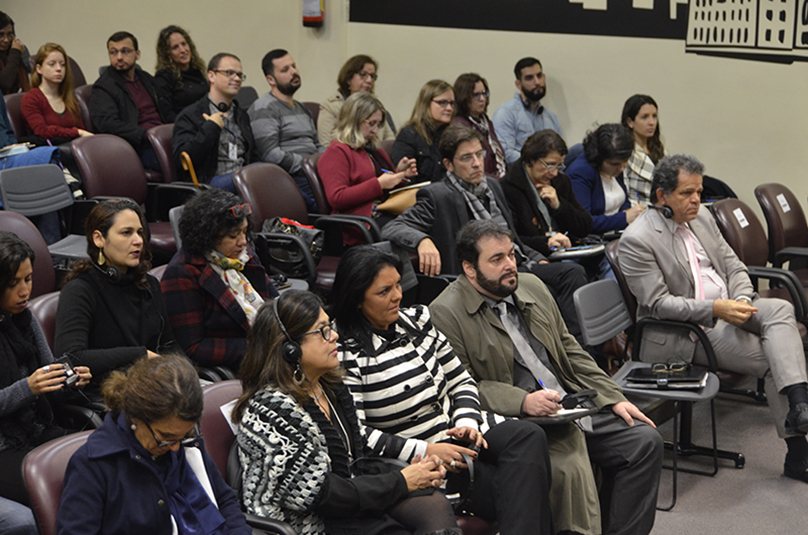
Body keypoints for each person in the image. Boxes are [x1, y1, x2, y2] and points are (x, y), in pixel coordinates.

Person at [430, 220, 664, 535]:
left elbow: (570, 350)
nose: (510, 265)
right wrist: (523, 401)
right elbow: (465, 386)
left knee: (644, 441)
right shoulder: (445, 312)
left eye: (511, 255)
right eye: (497, 259)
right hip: (524, 423)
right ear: (470, 269)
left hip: (571, 405)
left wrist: (613, 397)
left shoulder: (531, 286)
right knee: (569, 469)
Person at [331, 246, 556, 534]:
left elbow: (461, 381)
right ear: (357, 300)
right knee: (520, 486)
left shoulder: (417, 322)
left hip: (456, 428)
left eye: (398, 285)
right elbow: (357, 434)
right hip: (413, 450)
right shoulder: (345, 352)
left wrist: (465, 424)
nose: (398, 296)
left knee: (528, 436)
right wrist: (427, 449)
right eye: (384, 291)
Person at [618, 154, 808, 484]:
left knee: (780, 311)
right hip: (685, 331)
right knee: (774, 356)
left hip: (728, 309)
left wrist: (743, 302)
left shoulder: (702, 217)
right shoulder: (638, 239)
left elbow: (734, 266)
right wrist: (717, 309)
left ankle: (799, 404)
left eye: (699, 192)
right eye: (686, 193)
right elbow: (659, 304)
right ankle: (798, 452)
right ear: (662, 195)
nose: (696, 201)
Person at [233, 291, 462, 535]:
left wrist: (411, 472)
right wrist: (402, 481)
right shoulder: (270, 412)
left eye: (329, 326)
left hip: (351, 503)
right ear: (290, 348)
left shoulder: (329, 385)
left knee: (434, 503)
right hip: (313, 522)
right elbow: (322, 495)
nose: (334, 336)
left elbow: (358, 459)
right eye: (322, 331)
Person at [382, 123, 588, 340]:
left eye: (479, 154)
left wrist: (537, 258)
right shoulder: (437, 195)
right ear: (448, 164)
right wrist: (422, 240)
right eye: (466, 158)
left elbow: (513, 239)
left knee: (570, 273)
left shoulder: (492, 186)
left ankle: (576, 352)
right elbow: (391, 227)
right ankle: (576, 352)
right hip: (484, 275)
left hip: (517, 262)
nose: (476, 163)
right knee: (563, 279)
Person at [57, 354, 251, 535]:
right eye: (165, 437)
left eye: (183, 437)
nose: (175, 447)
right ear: (136, 417)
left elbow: (224, 501)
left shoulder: (185, 440)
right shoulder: (94, 465)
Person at [0, 232, 91, 513]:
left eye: (28, 279)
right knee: (71, 484)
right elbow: (31, 386)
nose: (25, 291)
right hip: (4, 448)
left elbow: (48, 376)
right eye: (13, 283)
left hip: (37, 429)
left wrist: (70, 380)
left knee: (103, 460)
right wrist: (28, 388)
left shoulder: (25, 319)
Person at [54, 200, 181, 395]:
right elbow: (72, 356)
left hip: (156, 386)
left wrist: (183, 372)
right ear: (99, 239)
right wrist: (140, 355)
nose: (138, 240)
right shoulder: (79, 290)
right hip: (111, 394)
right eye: (126, 233)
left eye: (140, 232)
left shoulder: (149, 284)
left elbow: (168, 344)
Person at [161, 190, 278, 370]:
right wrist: (260, 347)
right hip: (240, 364)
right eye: (233, 236)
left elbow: (275, 302)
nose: (242, 241)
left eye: (245, 232)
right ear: (208, 236)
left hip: (269, 349)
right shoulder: (182, 273)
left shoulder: (242, 255)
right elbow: (193, 348)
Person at [318, 92, 417, 239]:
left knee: (427, 221)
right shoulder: (337, 152)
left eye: (378, 125)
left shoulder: (373, 149)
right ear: (354, 121)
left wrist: (399, 174)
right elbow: (337, 198)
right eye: (371, 124)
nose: (375, 131)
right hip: (359, 223)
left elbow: (384, 184)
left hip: (383, 213)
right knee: (412, 233)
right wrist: (378, 184)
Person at [172, 52, 257, 192]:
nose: (236, 79)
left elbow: (253, 155)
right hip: (210, 183)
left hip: (241, 179)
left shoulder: (241, 115)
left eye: (239, 75)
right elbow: (184, 160)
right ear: (211, 76)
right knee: (251, 179)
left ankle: (305, 210)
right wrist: (211, 128)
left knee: (273, 175)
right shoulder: (190, 115)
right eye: (229, 73)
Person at [249, 49, 321, 212]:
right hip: (292, 177)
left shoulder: (302, 108)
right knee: (333, 210)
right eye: (285, 70)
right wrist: (307, 165)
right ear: (270, 79)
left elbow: (316, 145)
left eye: (293, 66)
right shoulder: (264, 108)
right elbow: (270, 154)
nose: (294, 72)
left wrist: (328, 159)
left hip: (313, 172)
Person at [501, 129, 591, 257]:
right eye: (550, 165)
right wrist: (546, 243)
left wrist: (559, 206)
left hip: (570, 251)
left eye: (558, 165)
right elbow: (512, 239)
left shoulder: (560, 181)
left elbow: (585, 226)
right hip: (538, 257)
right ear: (531, 159)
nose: (554, 172)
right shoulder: (508, 188)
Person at [89, 31, 169, 171]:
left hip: (162, 138)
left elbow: (166, 109)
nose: (119, 57)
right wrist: (143, 134)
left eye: (125, 51)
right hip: (137, 146)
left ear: (137, 54)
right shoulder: (104, 87)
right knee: (180, 159)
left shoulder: (146, 79)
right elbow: (107, 124)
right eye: (113, 52)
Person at [567, 123, 645, 234]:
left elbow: (622, 199)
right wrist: (624, 218)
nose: (622, 168)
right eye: (615, 164)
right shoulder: (580, 172)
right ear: (598, 157)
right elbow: (584, 222)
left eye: (625, 162)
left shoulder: (615, 167)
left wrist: (628, 212)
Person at [491, 57, 562, 164]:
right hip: (521, 174)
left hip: (550, 172)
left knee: (579, 151)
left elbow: (560, 151)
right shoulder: (505, 113)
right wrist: (539, 163)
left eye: (539, 76)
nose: (537, 82)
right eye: (529, 78)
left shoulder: (551, 117)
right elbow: (505, 153)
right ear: (518, 84)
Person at [317, 54, 396, 146]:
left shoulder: (375, 107)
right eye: (363, 75)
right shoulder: (331, 106)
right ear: (348, 79)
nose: (369, 80)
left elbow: (390, 141)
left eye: (372, 76)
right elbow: (326, 145)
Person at [21, 43, 92, 143]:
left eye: (62, 64)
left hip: (73, 149)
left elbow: (82, 130)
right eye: (52, 64)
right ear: (39, 69)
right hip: (50, 152)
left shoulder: (68, 97)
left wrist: (79, 133)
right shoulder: (31, 98)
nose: (59, 69)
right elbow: (42, 131)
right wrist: (76, 132)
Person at [391, 79, 454, 184]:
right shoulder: (409, 135)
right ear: (426, 103)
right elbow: (406, 181)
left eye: (452, 103)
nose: (449, 108)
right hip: (421, 196)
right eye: (442, 102)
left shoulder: (451, 134)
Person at [451, 73, 506, 180]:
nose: (482, 99)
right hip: (480, 182)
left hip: (497, 179)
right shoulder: (460, 126)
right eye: (475, 95)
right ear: (464, 97)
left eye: (484, 93)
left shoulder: (485, 121)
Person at [154, 25, 208, 122]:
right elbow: (167, 115)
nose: (183, 50)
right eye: (175, 47)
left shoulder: (197, 71)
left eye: (184, 44)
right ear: (167, 53)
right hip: (185, 127)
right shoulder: (163, 78)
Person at [621, 94, 664, 207]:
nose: (652, 122)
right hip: (639, 212)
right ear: (630, 122)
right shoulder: (624, 152)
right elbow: (624, 193)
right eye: (645, 117)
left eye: (654, 116)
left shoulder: (660, 151)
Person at [0, 12, 29, 95]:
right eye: (1, 35)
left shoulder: (16, 50)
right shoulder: (15, 52)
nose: (6, 40)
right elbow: (5, 83)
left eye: (9, 34)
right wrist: (15, 53)